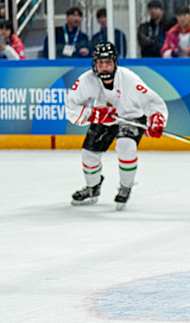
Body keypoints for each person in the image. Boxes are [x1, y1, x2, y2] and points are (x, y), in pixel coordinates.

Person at [65, 42, 168, 211]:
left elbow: (152, 101)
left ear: (115, 63)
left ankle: (125, 186)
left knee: (125, 146)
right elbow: (71, 108)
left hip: (131, 117)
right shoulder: (87, 80)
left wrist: (156, 120)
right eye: (100, 63)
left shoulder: (129, 79)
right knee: (89, 154)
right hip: (105, 118)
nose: (104, 67)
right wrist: (92, 115)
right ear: (94, 64)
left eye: (108, 62)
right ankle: (92, 187)